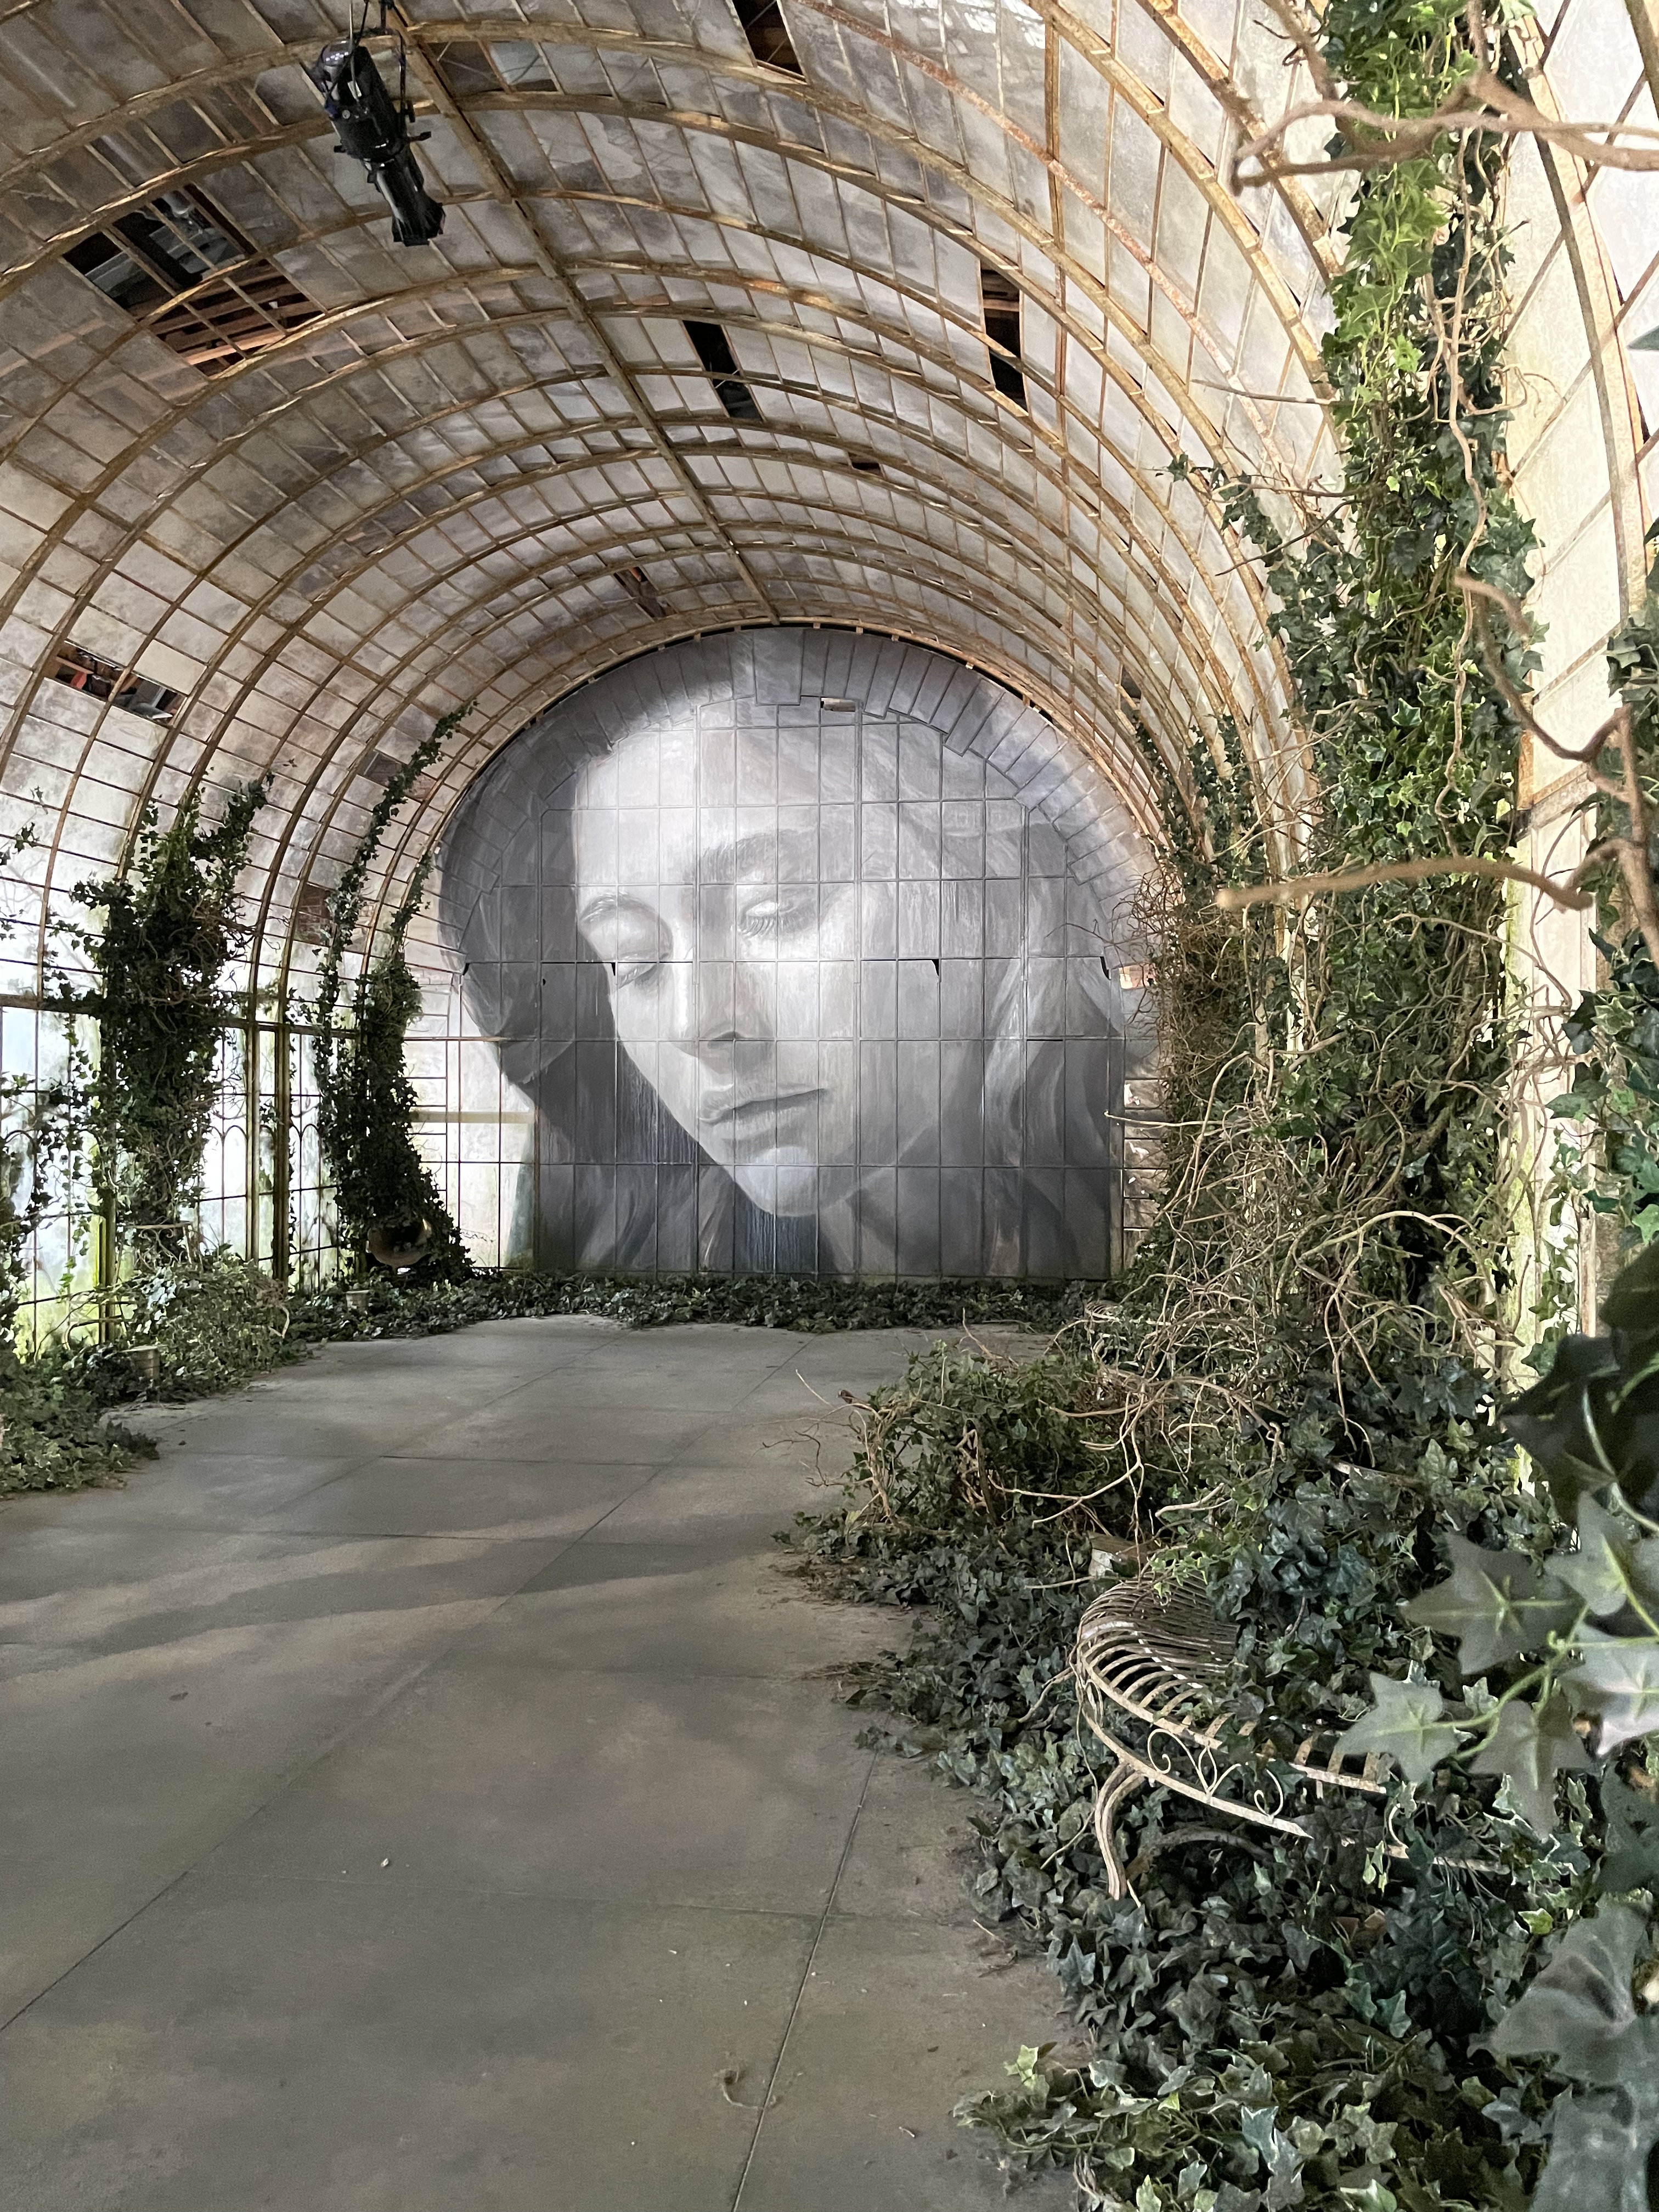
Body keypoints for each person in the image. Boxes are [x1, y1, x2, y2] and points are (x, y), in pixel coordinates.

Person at [439, 631, 1149, 1277]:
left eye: (773, 909)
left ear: (982, 894)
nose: (698, 1026)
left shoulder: (1155, 1176)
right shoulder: (645, 1237)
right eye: (632, 960)